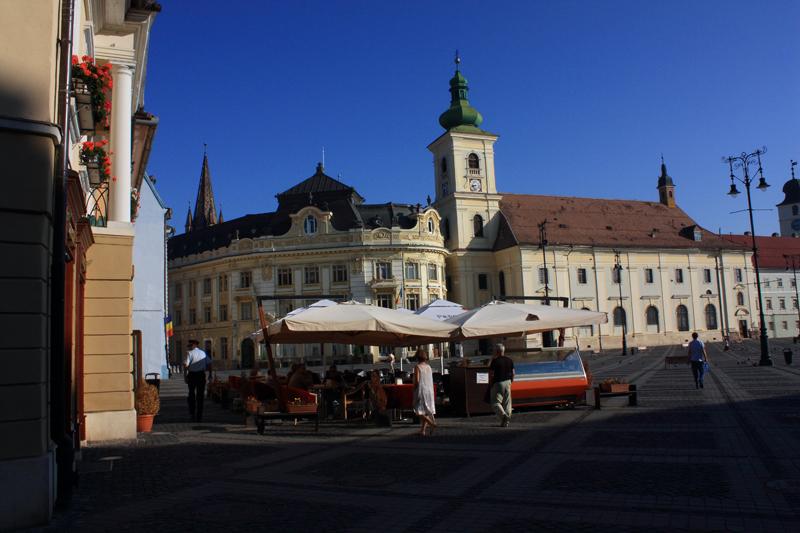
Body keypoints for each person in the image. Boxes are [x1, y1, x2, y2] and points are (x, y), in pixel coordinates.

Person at [184, 339, 212, 422]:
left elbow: (186, 365)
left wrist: (185, 376)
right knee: (200, 396)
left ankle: (192, 414)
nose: (189, 347)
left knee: (191, 394)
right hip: (201, 375)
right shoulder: (203, 353)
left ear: (194, 345)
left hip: (192, 375)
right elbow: (209, 364)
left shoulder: (189, 353)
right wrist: (210, 374)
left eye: (190, 345)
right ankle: (199, 415)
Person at [489, 343, 515, 427]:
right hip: (508, 382)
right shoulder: (509, 360)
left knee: (495, 403)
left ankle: (503, 416)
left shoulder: (495, 361)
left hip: (498, 382)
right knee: (507, 402)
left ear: (497, 351)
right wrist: (511, 381)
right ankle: (506, 421)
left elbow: (491, 374)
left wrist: (491, 383)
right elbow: (513, 373)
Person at [413, 349, 436, 436]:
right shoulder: (429, 367)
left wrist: (414, 389)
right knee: (426, 411)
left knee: (418, 410)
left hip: (421, 390)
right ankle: (422, 430)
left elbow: (417, 381)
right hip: (429, 391)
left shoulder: (417, 367)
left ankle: (432, 423)